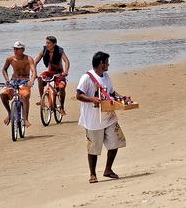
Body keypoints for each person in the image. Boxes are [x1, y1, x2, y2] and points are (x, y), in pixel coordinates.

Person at [76, 52, 127, 183]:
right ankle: (92, 174)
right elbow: (79, 95)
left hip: (109, 116)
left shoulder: (106, 76)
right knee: (93, 147)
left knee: (115, 142)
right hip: (93, 119)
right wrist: (92, 99)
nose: (108, 64)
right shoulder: (86, 78)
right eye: (107, 62)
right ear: (101, 63)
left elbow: (110, 92)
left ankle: (108, 170)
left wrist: (121, 98)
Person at [1, 41, 36, 128]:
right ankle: (9, 113)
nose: (15, 50)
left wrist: (32, 80)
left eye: (18, 49)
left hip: (25, 80)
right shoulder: (10, 59)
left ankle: (26, 119)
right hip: (13, 80)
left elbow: (34, 71)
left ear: (23, 50)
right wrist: (7, 80)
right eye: (14, 48)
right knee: (2, 94)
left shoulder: (28, 59)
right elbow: (4, 69)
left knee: (25, 96)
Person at [35, 35, 71, 113]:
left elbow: (67, 61)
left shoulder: (59, 51)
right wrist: (34, 73)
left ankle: (62, 107)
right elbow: (35, 62)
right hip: (50, 72)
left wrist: (66, 71)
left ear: (54, 44)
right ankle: (42, 100)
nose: (47, 45)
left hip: (59, 73)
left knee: (61, 87)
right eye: (46, 43)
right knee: (40, 78)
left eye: (49, 43)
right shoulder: (44, 51)